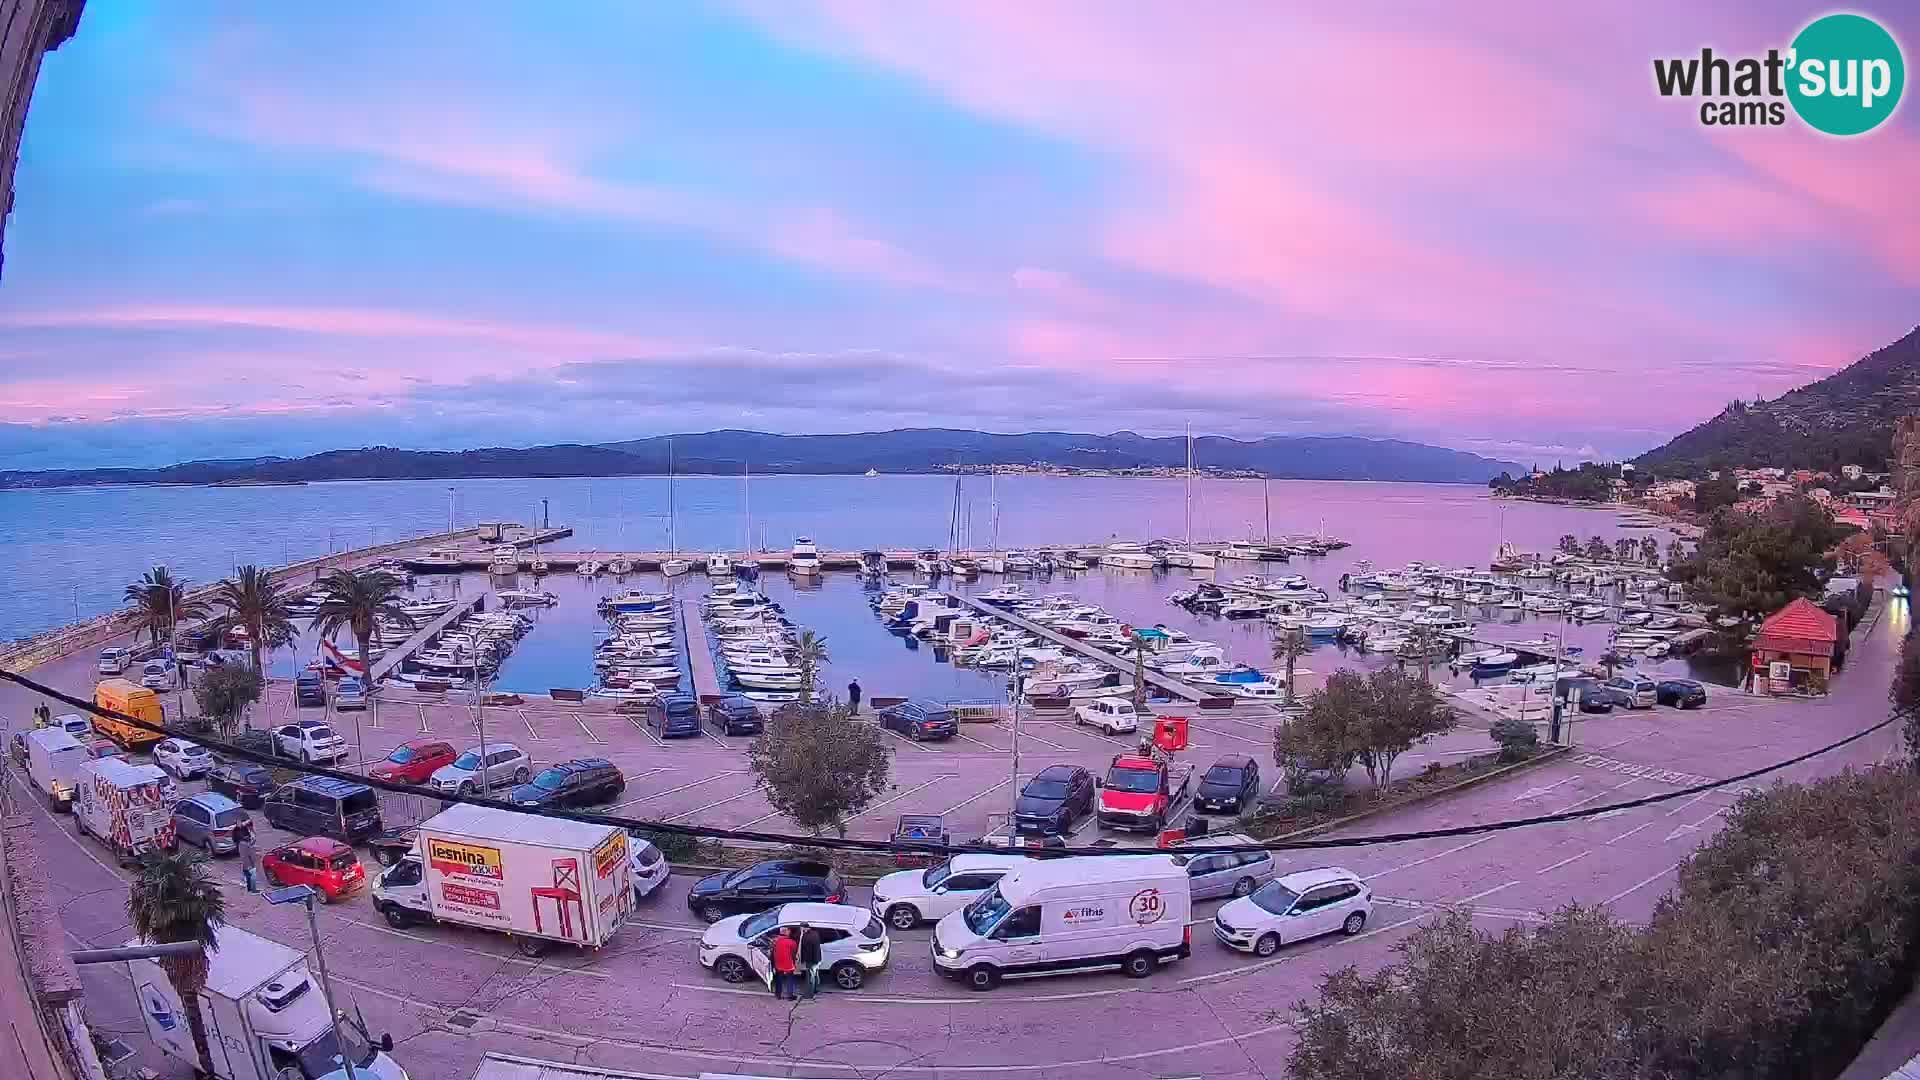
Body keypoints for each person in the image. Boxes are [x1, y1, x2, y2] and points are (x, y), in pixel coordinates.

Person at [770, 926, 799, 1000]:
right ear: (787, 933)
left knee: (778, 979)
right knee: (790, 980)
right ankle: (790, 996)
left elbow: (772, 952)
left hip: (778, 964)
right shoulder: (792, 942)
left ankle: (778, 995)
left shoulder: (775, 941)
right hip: (788, 964)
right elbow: (794, 954)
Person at [797, 922, 822, 1000]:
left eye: (801, 928)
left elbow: (804, 948)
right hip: (817, 959)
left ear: (803, 928)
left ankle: (809, 994)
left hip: (811, 960)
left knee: (810, 977)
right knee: (815, 975)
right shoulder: (815, 933)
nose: (800, 929)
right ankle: (815, 990)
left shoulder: (806, 937)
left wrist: (801, 935)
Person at [236, 829, 257, 893]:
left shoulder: (250, 833)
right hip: (245, 849)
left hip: (248, 850)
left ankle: (251, 886)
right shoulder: (242, 843)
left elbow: (253, 840)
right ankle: (247, 883)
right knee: (246, 865)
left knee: (251, 866)